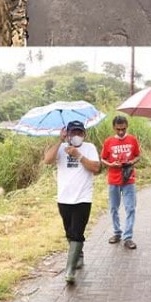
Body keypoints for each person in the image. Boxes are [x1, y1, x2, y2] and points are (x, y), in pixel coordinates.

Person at [42, 120, 101, 284]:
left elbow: (96, 169)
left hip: (83, 198)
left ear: (84, 134)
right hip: (64, 198)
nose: (77, 136)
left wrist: (78, 155)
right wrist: (60, 140)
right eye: (73, 133)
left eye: (80, 133)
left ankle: (70, 270)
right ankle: (78, 256)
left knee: (77, 232)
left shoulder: (89, 148)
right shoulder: (60, 148)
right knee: (69, 232)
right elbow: (47, 160)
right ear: (67, 134)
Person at [100, 115, 141, 249]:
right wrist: (111, 164)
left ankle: (128, 237)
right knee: (113, 208)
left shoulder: (132, 140)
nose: (121, 132)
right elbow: (103, 159)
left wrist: (131, 162)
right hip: (113, 179)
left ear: (126, 126)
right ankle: (117, 233)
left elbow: (138, 156)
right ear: (114, 128)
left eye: (123, 129)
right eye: (118, 129)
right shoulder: (108, 142)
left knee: (130, 208)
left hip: (129, 179)